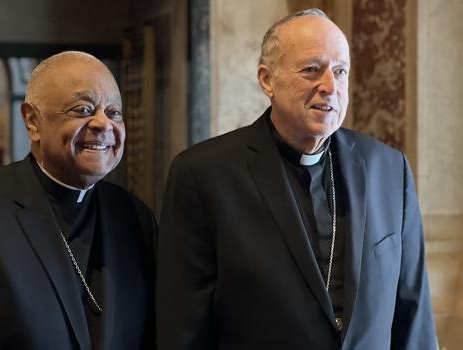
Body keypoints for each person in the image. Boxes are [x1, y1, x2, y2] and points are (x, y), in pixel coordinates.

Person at [157, 9, 437, 349]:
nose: (330, 87)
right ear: (267, 80)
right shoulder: (203, 175)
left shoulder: (389, 170)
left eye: (340, 71)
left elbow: (414, 314)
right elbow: (182, 327)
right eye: (311, 70)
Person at [0, 51, 156, 349]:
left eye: (114, 112)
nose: (103, 123)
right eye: (82, 110)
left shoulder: (135, 217)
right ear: (33, 121)